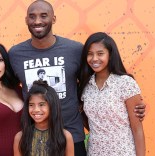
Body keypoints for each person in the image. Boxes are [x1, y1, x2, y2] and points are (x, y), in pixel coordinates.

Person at [8, 0, 146, 155]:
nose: (38, 21)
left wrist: (133, 102)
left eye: (44, 16)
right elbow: (9, 89)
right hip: (35, 139)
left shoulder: (75, 50)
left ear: (53, 19)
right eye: (32, 17)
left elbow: (96, 81)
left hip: (73, 136)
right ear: (26, 20)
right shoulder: (15, 54)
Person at [79, 32, 145, 156]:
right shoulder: (85, 86)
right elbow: (91, 123)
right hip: (95, 153)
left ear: (110, 55)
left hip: (124, 152)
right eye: (90, 54)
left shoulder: (126, 83)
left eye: (100, 54)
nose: (94, 59)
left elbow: (137, 130)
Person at [13, 80, 74, 156]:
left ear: (52, 105)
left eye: (41, 104)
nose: (36, 110)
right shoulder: (20, 137)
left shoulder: (65, 136)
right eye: (31, 105)